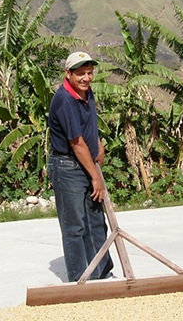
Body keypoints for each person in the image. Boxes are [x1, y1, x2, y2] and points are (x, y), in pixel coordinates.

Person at [47, 51, 114, 282]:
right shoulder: (65, 100)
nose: (86, 78)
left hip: (87, 163)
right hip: (68, 168)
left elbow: (89, 126)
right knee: (75, 226)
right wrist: (96, 177)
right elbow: (76, 143)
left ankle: (100, 272)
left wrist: (99, 146)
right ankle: (80, 278)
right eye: (81, 74)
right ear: (68, 73)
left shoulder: (86, 92)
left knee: (96, 222)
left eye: (90, 73)